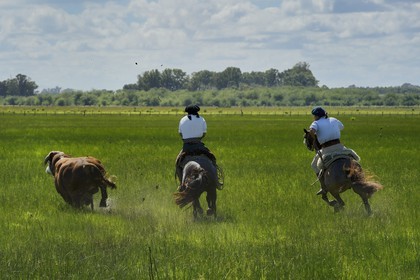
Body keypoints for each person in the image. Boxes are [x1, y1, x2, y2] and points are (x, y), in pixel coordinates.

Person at [308, 106, 360, 195]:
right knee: (354, 158)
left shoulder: (315, 123)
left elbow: (312, 131)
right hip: (339, 146)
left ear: (316, 116)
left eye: (314, 116)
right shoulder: (334, 119)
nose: (313, 118)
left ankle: (323, 187)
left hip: (326, 149)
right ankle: (361, 178)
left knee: (314, 165)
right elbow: (341, 127)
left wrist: (315, 137)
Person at [175, 104, 220, 186]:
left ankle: (181, 184)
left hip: (187, 146)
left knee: (178, 163)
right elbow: (204, 133)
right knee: (213, 159)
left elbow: (180, 133)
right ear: (197, 111)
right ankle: (216, 181)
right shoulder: (202, 119)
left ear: (187, 112)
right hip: (199, 144)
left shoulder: (182, 120)